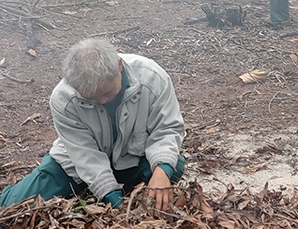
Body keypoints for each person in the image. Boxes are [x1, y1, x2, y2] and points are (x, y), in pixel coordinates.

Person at [0, 38, 185, 211]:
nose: (102, 101)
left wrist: (162, 171)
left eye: (107, 93)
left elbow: (167, 128)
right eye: (92, 98)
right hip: (76, 165)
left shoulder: (152, 78)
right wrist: (114, 200)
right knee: (14, 204)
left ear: (119, 66)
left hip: (133, 158)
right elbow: (84, 154)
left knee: (172, 165)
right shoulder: (63, 98)